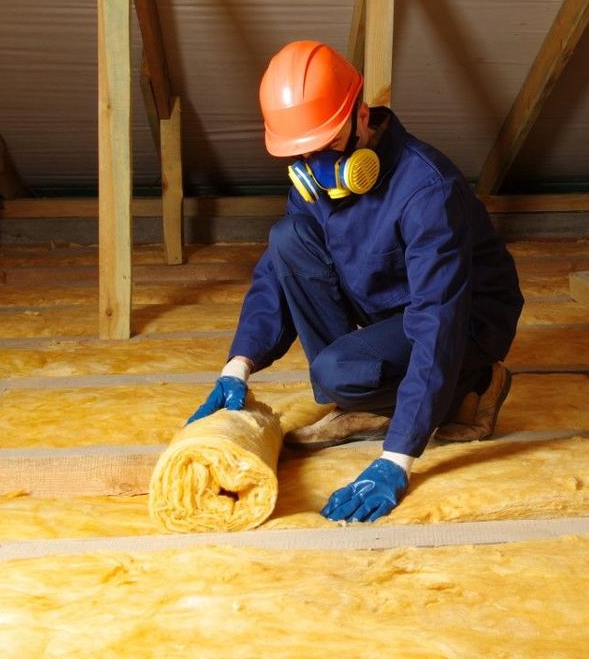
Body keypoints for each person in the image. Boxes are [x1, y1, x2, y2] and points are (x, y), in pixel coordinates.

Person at [187, 40, 524, 523]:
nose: (313, 165)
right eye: (300, 153)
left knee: (336, 372)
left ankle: (473, 385)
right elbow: (278, 273)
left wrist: (397, 458)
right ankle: (364, 394)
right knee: (287, 238)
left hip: (464, 316)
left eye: (325, 147)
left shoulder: (427, 188)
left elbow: (437, 318)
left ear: (361, 116)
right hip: (387, 299)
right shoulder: (313, 176)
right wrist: (237, 366)